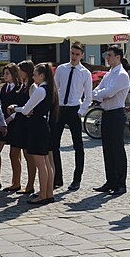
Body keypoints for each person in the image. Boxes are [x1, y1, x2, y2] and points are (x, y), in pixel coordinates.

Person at [13, 63, 58, 205]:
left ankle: (43, 194)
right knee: (46, 162)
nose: (33, 77)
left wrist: (16, 109)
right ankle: (48, 192)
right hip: (43, 124)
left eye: (34, 75)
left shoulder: (40, 90)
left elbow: (26, 110)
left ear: (41, 76)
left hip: (37, 126)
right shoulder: (51, 89)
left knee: (41, 163)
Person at [53, 42, 93, 191]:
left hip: (74, 109)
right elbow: (55, 89)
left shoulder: (85, 73)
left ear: (82, 55)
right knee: (54, 144)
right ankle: (57, 178)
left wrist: (80, 112)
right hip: (60, 109)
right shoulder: (62, 69)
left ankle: (77, 179)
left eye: (77, 54)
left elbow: (88, 96)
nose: (74, 57)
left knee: (78, 146)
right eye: (72, 53)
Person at [92, 45, 130, 195]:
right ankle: (111, 180)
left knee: (117, 148)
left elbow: (108, 93)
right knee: (107, 149)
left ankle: (121, 183)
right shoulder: (109, 74)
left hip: (116, 113)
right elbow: (97, 91)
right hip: (106, 112)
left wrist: (100, 94)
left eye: (109, 55)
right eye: (107, 55)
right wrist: (101, 94)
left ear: (117, 57)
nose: (107, 58)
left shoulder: (122, 74)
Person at [4, 60, 37, 195]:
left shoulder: (32, 87)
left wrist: (16, 109)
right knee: (13, 154)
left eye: (20, 70)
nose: (18, 72)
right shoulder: (23, 85)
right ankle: (16, 182)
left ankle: (30, 185)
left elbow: (31, 107)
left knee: (28, 156)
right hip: (19, 123)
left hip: (27, 124)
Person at [0, 63, 23, 191]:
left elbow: (20, 106)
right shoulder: (4, 88)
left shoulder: (19, 88)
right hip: (4, 123)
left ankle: (16, 182)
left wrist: (11, 118)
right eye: (4, 73)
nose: (5, 76)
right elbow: (2, 105)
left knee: (14, 154)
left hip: (16, 123)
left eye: (7, 73)